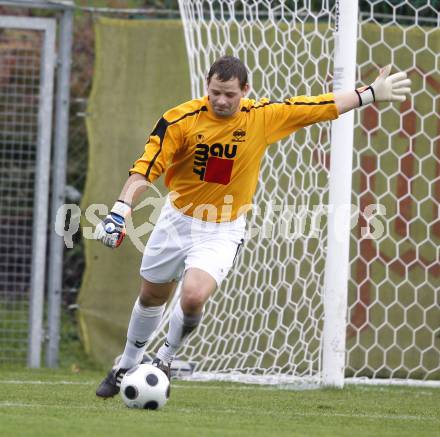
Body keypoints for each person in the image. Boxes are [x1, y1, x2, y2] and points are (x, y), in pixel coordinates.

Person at [94, 56, 410, 398]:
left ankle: (164, 361)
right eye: (215, 92)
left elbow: (318, 106)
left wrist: (370, 93)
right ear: (207, 86)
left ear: (246, 90)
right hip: (176, 219)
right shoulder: (180, 119)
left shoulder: (261, 117)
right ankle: (126, 364)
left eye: (230, 94)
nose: (221, 100)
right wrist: (120, 209)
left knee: (194, 295)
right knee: (152, 295)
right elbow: (145, 168)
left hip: (223, 228)